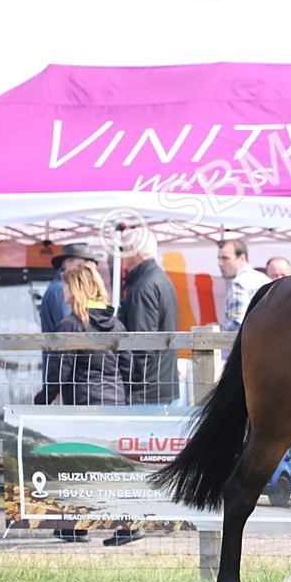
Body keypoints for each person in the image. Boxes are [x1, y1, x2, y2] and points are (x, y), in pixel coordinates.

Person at [33, 262, 129, 542]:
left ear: (76, 288)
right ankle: (127, 526)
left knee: (77, 466)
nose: (62, 290)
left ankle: (76, 527)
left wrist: (40, 402)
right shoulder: (116, 324)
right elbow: (128, 367)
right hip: (116, 405)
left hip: (84, 405)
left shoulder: (72, 324)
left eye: (66, 285)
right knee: (110, 470)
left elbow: (59, 372)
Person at [113, 229, 180, 545]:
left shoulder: (143, 286)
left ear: (135, 250)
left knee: (136, 460)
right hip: (159, 384)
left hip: (145, 389)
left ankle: (134, 524)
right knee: (151, 459)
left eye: (123, 249)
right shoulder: (158, 280)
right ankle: (147, 520)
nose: (120, 256)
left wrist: (128, 385)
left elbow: (140, 346)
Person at [39, 242, 99, 377]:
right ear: (68, 263)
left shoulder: (60, 289)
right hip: (64, 378)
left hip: (65, 376)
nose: (91, 267)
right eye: (87, 262)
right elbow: (71, 334)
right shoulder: (62, 291)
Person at [217, 239, 272, 331]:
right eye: (219, 258)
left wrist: (216, 332)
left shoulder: (239, 283)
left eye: (225, 258)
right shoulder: (264, 279)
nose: (220, 264)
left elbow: (237, 324)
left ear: (242, 258)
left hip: (251, 342)